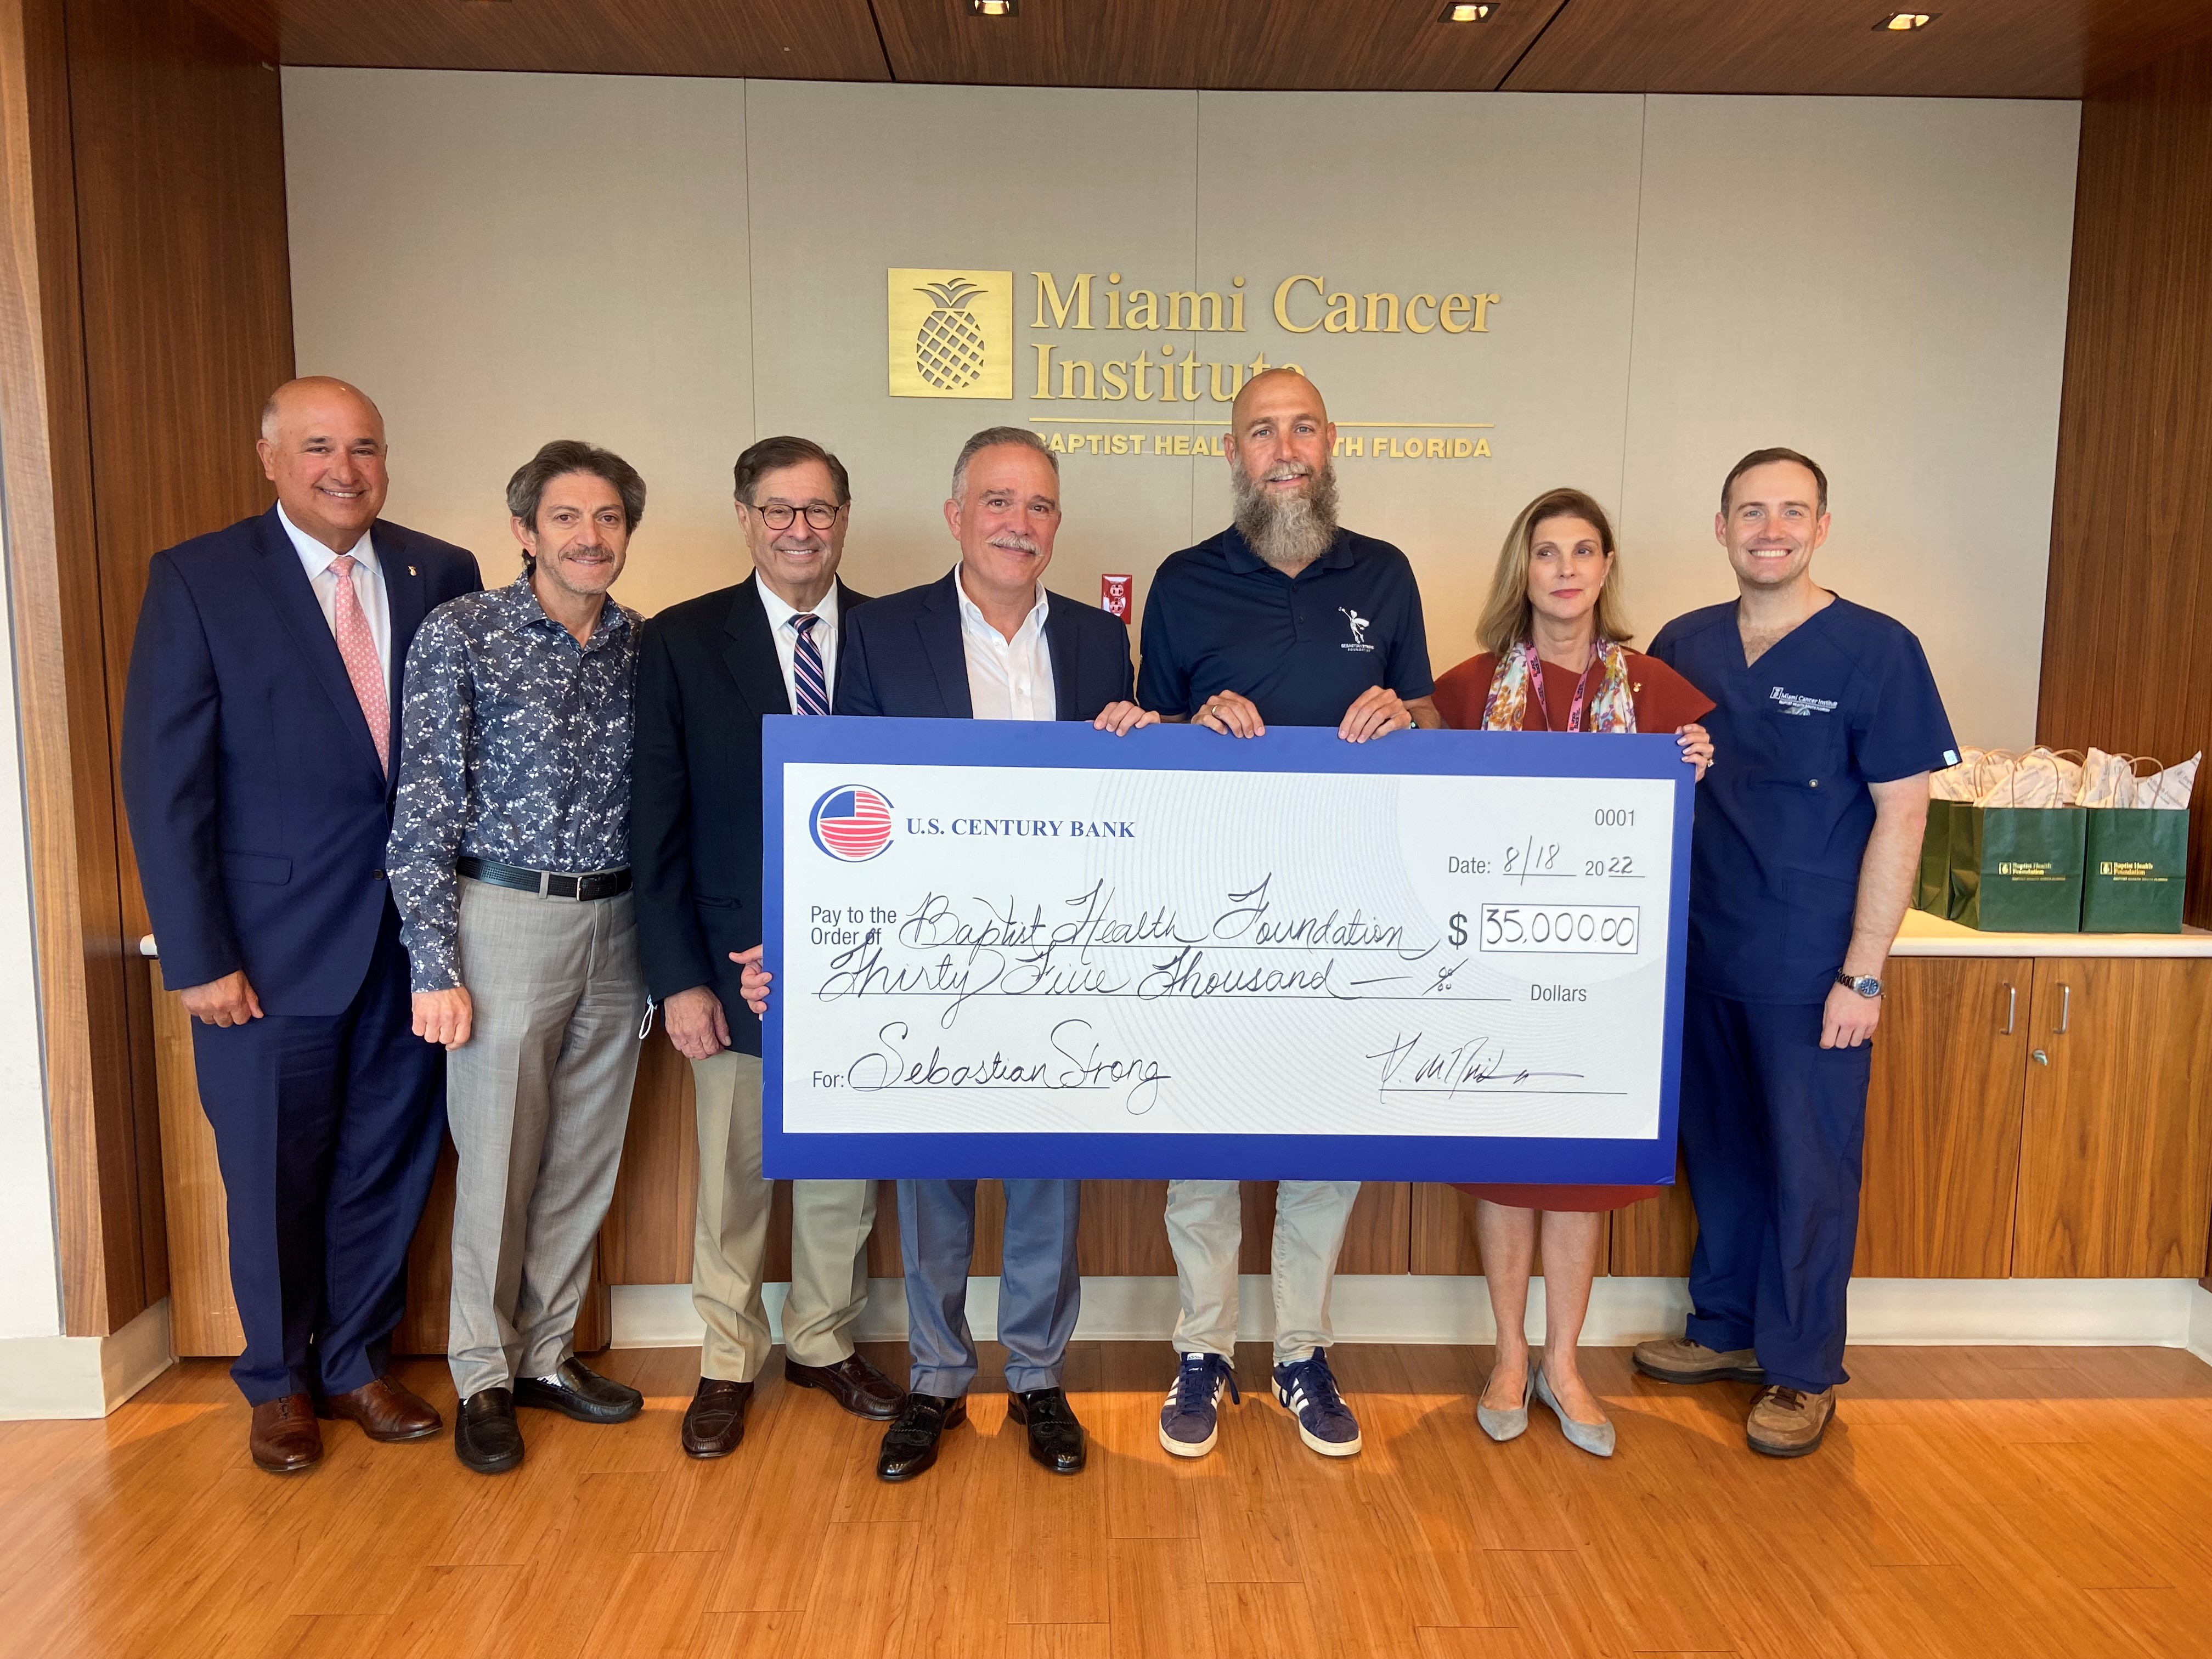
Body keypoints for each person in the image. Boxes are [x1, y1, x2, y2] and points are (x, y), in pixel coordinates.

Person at [743, 425, 1154, 1485]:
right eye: (1000, 502)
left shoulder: (1104, 645)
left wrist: (1136, 739)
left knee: (1047, 1175)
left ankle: (1036, 1377)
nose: (1022, 524)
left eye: (1042, 507)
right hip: (929, 955)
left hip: (1064, 953)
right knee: (931, 1176)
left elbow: (1129, 801)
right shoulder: (882, 632)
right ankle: (935, 1375)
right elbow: (847, 801)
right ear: (957, 515)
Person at [119, 377, 481, 1475]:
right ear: (269, 457)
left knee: (388, 1160)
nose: (345, 468)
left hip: (415, 944)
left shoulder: (441, 573)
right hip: (267, 953)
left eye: (365, 446)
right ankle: (277, 1383)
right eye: (319, 446)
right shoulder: (199, 579)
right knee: (273, 1172)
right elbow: (164, 781)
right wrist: (200, 955)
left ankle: (356, 1365)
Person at [1136, 368, 1440, 1463]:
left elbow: (1434, 720)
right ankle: (1204, 1350)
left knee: (1324, 1140)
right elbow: (1145, 744)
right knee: (1204, 1144)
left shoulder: (1389, 575)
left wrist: (1404, 713)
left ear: (1330, 441)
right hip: (1211, 918)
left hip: (1351, 915)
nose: (1284, 447)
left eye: (1302, 426)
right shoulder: (1182, 581)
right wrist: (1187, 720)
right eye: (1262, 431)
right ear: (1234, 454)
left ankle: (1303, 1349)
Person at [1635, 448, 1951, 1458]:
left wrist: (1864, 969)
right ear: (1720, 527)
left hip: (1810, 965)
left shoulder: (1879, 651)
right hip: (1701, 955)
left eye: (1792, 512)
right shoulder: (1683, 643)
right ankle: (1726, 1331)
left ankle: (1804, 1369)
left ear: (1822, 528)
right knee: (1720, 1158)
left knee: (1809, 1169)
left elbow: (1905, 815)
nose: (1770, 529)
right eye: (1750, 512)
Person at [629, 436, 904, 1459]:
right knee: (734, 1177)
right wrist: (682, 980)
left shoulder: (894, 633)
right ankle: (728, 1360)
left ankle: (825, 1344)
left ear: (844, 517)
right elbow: (653, 825)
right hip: (731, 963)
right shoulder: (683, 640)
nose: (801, 530)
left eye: (820, 510)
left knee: (841, 1173)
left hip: (868, 967)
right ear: (745, 517)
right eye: (780, 511)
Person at [1429, 486, 1714, 1459]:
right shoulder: (1466, 691)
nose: (1563, 569)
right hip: (1497, 975)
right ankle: (1508, 1358)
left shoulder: (1658, 695)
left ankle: (1564, 1363)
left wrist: (1695, 765)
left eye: (1581, 551)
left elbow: (1684, 821)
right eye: (1544, 552)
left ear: (1604, 570)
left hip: (1607, 982)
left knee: (1580, 1179)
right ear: (1525, 569)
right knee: (1509, 1176)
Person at [387, 440, 652, 1475]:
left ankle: (547, 1355)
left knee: (584, 1156)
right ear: (526, 531)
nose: (590, 538)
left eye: (609, 521)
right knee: (497, 1158)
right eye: (568, 519)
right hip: (501, 915)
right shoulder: (464, 634)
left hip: (619, 923)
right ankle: (481, 1375)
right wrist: (433, 963)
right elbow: (422, 808)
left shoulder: (644, 645)